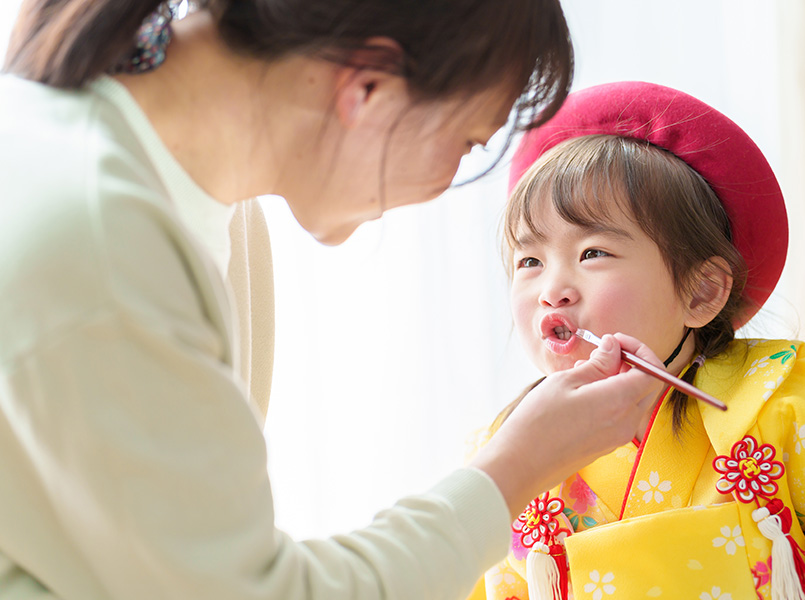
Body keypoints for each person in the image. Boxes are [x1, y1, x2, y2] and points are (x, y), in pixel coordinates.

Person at [0, 2, 671, 599]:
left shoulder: (203, 217)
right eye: (466, 143)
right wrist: (517, 466)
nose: (443, 184)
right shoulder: (106, 245)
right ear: (370, 86)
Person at [471, 81, 805, 600]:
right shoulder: (514, 447)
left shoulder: (799, 406)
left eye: (592, 253)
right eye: (530, 262)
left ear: (701, 291)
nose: (552, 291)